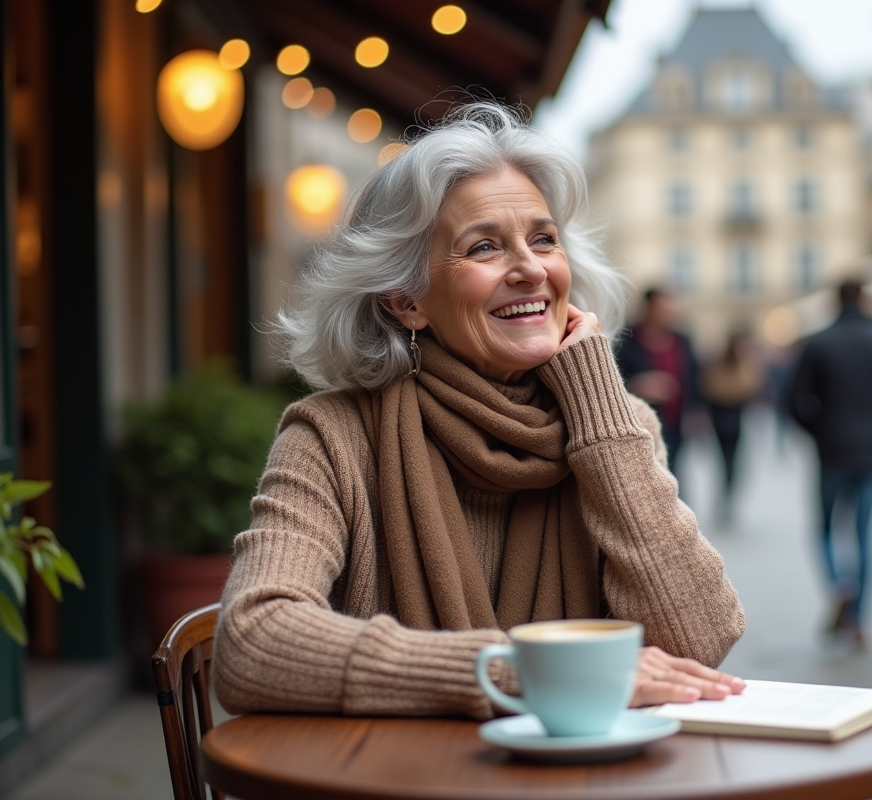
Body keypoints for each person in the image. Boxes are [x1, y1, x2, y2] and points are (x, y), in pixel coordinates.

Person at [212, 102, 746, 720]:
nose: (530, 269)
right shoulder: (331, 436)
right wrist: (520, 672)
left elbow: (698, 641)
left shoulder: (620, 429)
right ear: (406, 300)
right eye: (485, 246)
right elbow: (253, 642)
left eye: (543, 239)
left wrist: (600, 412)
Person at [784, 279, 872, 645]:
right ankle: (861, 619)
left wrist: (818, 431)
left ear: (835, 300)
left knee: (824, 528)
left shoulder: (819, 343)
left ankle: (840, 584)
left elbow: (793, 400)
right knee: (865, 533)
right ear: (867, 299)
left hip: (832, 449)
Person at [614, 287, 700, 475]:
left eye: (672, 307)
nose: (670, 312)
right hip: (640, 425)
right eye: (663, 307)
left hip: (676, 424)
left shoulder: (682, 340)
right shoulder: (625, 340)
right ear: (648, 308)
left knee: (676, 474)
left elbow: (694, 377)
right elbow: (611, 377)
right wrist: (636, 385)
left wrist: (695, 412)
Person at [700, 330, 766, 526]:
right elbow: (747, 388)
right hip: (726, 419)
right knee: (729, 463)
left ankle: (725, 500)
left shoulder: (740, 364)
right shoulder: (733, 365)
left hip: (730, 418)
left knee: (729, 463)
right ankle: (725, 500)